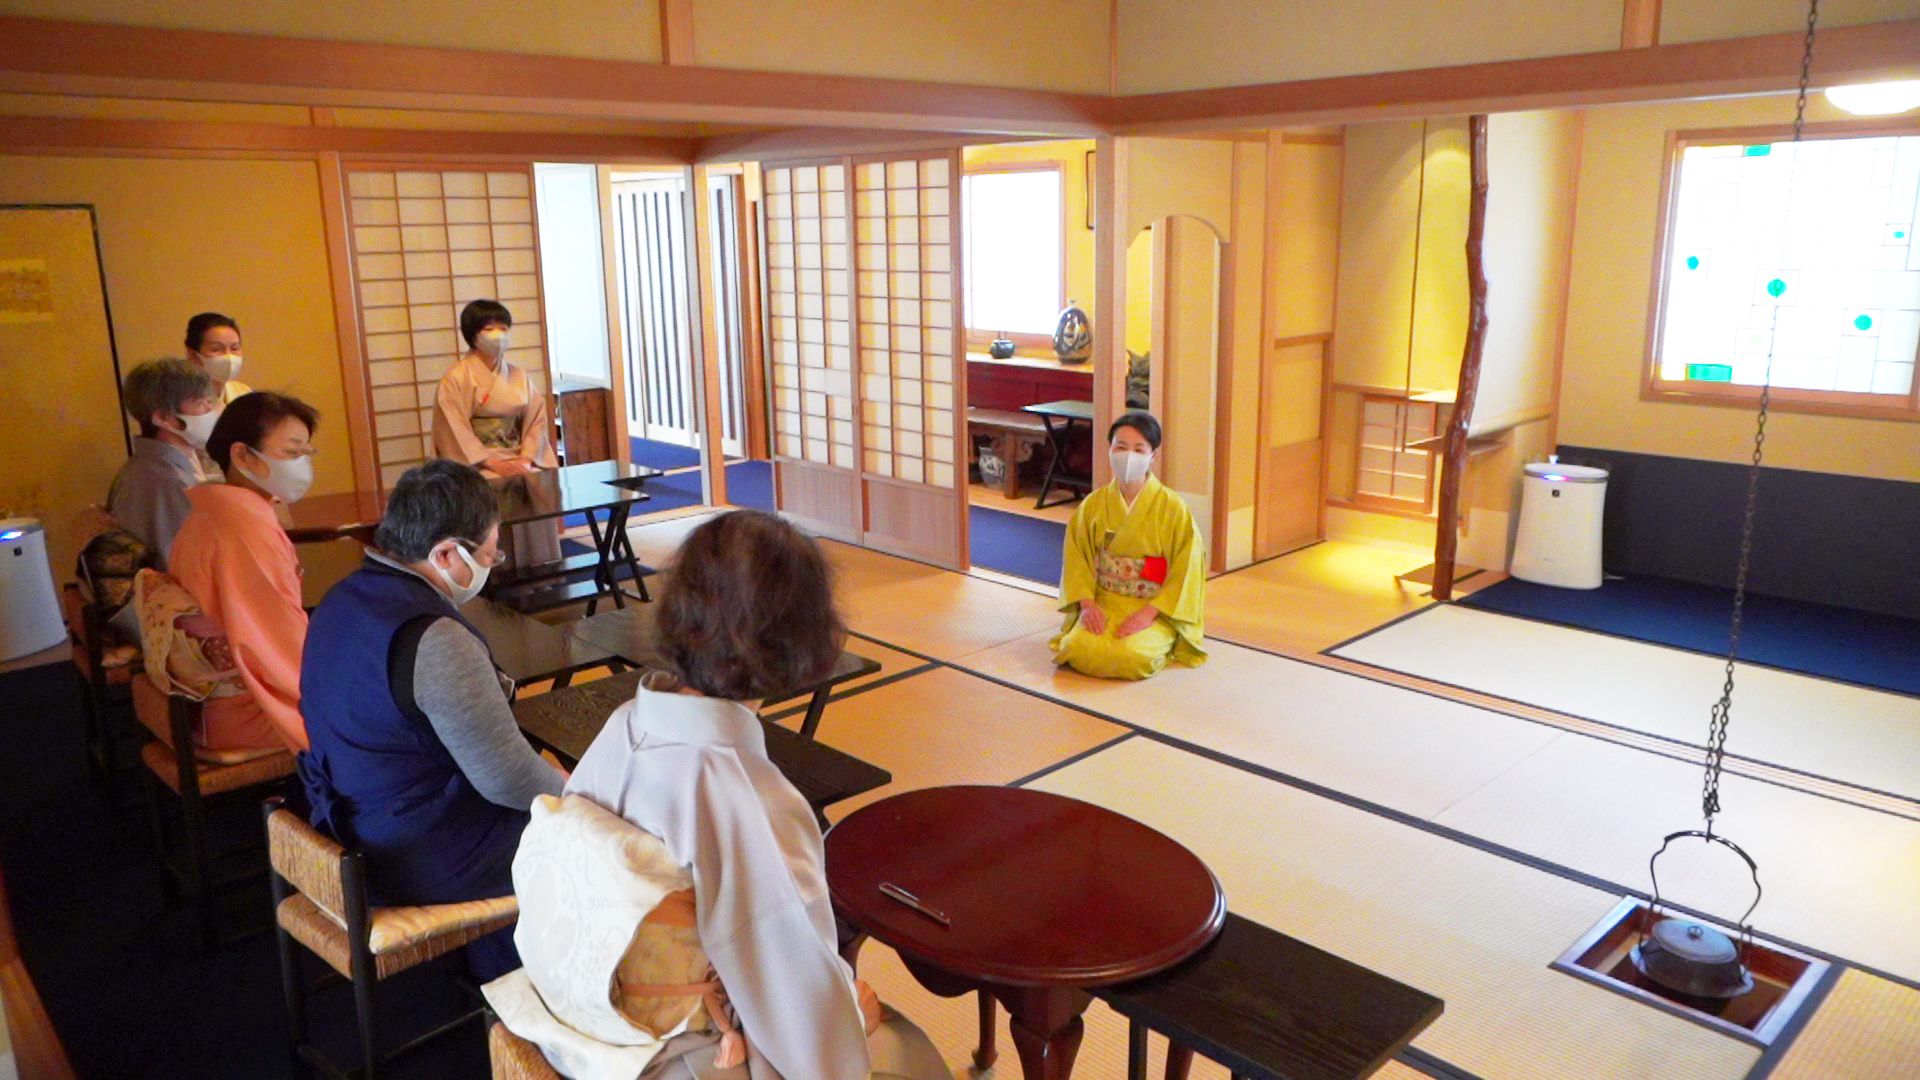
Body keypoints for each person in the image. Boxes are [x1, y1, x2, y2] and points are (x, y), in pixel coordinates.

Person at [489, 511, 948, 1080]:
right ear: (796, 642)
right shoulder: (745, 797)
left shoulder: (624, 725)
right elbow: (792, 992)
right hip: (676, 1055)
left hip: (575, 1021)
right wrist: (854, 1019)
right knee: (911, 1051)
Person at [299, 460, 565, 980]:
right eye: (489, 554)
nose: (492, 566)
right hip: (416, 853)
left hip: (352, 822)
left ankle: (496, 962)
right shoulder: (434, 637)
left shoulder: (340, 599)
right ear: (446, 554)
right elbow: (507, 778)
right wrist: (574, 794)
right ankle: (518, 985)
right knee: (588, 834)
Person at [168, 392, 319, 753]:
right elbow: (277, 646)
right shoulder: (244, 529)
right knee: (393, 721)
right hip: (249, 712)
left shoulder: (213, 511)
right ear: (242, 455)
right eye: (291, 452)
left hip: (216, 707)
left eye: (306, 453)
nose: (302, 465)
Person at [1051, 410, 1207, 680]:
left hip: (1153, 605)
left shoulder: (1173, 508)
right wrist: (1087, 605)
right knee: (1076, 648)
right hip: (1104, 601)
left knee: (1132, 656)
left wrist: (1149, 613)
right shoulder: (1093, 505)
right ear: (1110, 449)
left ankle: (1165, 638)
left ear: (1153, 456)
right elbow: (1076, 559)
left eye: (1139, 449)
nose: (1128, 456)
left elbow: (1187, 568)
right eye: (1121, 447)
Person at [107, 358, 221, 569]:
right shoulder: (167, 481)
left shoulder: (146, 467)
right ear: (164, 418)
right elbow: (187, 567)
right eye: (200, 402)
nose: (210, 410)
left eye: (209, 401)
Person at [433, 299, 556, 478]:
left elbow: (536, 421)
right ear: (473, 335)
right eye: (489, 329)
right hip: (476, 464)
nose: (498, 335)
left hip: (520, 457)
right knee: (489, 482)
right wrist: (492, 463)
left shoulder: (519, 375)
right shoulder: (455, 378)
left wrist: (526, 459)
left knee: (540, 480)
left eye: (503, 329)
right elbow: (454, 430)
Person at [184, 312, 251, 405]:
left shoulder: (242, 393)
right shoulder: (178, 398)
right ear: (193, 355)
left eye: (234, 348)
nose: (229, 356)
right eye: (216, 349)